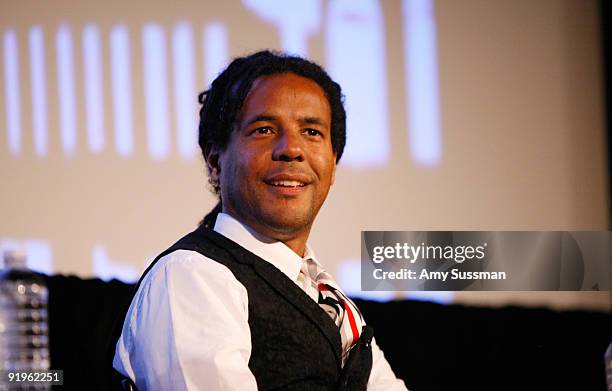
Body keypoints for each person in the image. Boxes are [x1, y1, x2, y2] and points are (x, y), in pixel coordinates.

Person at [111, 50, 407, 390]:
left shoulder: (330, 298)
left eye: (312, 132)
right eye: (264, 129)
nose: (291, 149)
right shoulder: (192, 277)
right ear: (215, 161)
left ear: (333, 164)